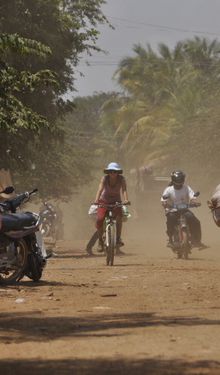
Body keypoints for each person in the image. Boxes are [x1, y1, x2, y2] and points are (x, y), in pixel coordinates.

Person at [161, 170, 206, 249]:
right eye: (177, 180)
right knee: (170, 220)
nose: (179, 182)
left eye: (180, 180)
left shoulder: (186, 188)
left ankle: (196, 241)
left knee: (195, 221)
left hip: (184, 210)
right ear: (173, 180)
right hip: (172, 210)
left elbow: (192, 197)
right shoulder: (169, 189)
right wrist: (165, 204)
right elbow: (164, 199)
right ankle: (170, 240)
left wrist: (194, 202)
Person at [91, 162, 129, 254]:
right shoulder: (104, 179)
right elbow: (100, 189)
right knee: (100, 219)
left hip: (116, 201)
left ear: (118, 173)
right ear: (108, 172)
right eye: (111, 171)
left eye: (115, 172)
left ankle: (118, 238)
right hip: (104, 201)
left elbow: (124, 190)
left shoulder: (122, 179)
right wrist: (96, 200)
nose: (113, 173)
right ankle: (100, 241)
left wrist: (126, 200)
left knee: (119, 217)